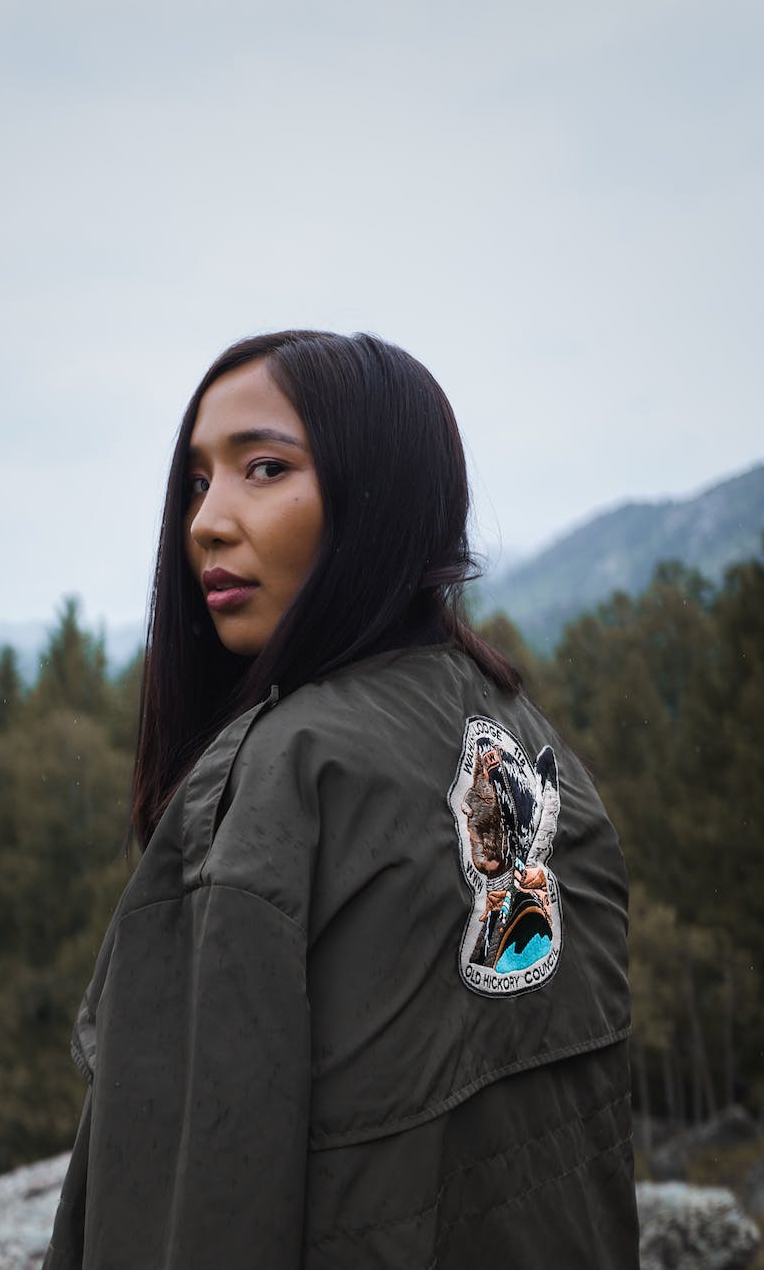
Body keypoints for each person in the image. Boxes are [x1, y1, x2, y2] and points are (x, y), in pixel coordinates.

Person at [43, 330, 639, 1269]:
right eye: (198, 481)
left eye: (265, 468)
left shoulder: (286, 777)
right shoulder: (527, 738)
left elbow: (183, 1201)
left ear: (380, 497)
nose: (205, 521)